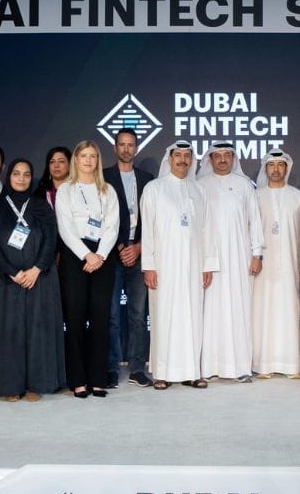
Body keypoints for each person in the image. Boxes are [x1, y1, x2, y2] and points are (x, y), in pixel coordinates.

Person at [0, 159, 66, 401]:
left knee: (37, 331)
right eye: (16, 173)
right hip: (5, 281)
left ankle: (35, 385)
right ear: (9, 176)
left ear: (32, 178)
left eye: (26, 174)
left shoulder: (41, 206)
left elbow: (51, 239)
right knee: (10, 332)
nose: (21, 178)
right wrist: (12, 272)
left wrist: (37, 269)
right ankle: (11, 385)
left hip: (39, 279)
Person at [141, 140, 219, 389]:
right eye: (178, 155)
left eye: (187, 156)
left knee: (192, 316)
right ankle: (162, 373)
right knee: (164, 316)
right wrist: (148, 265)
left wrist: (208, 265)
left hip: (193, 266)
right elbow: (147, 230)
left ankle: (191, 372)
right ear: (169, 158)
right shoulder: (154, 188)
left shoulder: (199, 190)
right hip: (163, 266)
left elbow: (207, 230)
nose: (183, 160)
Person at [57, 140, 121, 398]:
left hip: (103, 257)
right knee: (74, 319)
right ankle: (78, 380)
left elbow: (112, 226)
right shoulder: (65, 190)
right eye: (83, 155)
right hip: (76, 256)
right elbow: (65, 227)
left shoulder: (108, 190)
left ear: (98, 160)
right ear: (75, 159)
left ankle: (97, 378)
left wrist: (100, 255)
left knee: (100, 319)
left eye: (93, 156)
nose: (88, 160)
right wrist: (86, 254)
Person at [197, 141, 262, 382]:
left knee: (239, 309)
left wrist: (257, 254)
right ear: (210, 159)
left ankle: (240, 367)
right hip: (209, 260)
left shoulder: (244, 184)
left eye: (227, 155)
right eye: (218, 155)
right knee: (210, 312)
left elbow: (254, 221)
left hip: (239, 259)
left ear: (233, 159)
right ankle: (209, 366)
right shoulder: (200, 185)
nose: (223, 159)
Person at [104, 129, 154, 388]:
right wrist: (121, 247)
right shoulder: (103, 178)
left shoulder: (148, 180)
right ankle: (111, 367)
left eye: (130, 145)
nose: (126, 149)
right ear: (115, 148)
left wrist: (140, 247)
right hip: (112, 255)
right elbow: (101, 218)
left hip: (140, 254)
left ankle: (137, 368)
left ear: (136, 148)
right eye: (121, 145)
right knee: (111, 315)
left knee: (137, 314)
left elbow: (154, 220)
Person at [252, 149, 300, 378]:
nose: (276, 169)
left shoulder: (298, 197)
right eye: (271, 165)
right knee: (263, 312)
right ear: (265, 169)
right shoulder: (256, 196)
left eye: (280, 164)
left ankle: (290, 364)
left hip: (290, 264)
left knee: (288, 310)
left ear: (287, 168)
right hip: (262, 266)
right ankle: (263, 364)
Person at [34, 146, 72, 211]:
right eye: (52, 162)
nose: (56, 165)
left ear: (70, 164)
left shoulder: (79, 189)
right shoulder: (39, 194)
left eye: (61, 161)